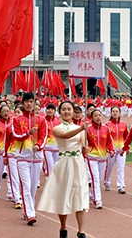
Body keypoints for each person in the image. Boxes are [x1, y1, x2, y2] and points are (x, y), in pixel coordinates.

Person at [37, 101, 89, 238]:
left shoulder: (80, 128)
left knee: (81, 195)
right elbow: (66, 136)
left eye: (69, 109)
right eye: (64, 109)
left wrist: (85, 147)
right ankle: (63, 228)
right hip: (64, 164)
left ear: (73, 111)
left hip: (78, 163)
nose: (67, 111)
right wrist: (81, 128)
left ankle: (81, 231)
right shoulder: (56, 128)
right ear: (60, 112)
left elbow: (83, 142)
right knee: (64, 196)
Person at [11, 92, 47, 225]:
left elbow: (44, 136)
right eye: (26, 101)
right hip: (22, 157)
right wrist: (28, 133)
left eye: (31, 101)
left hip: (36, 157)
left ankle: (27, 209)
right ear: (23, 103)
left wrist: (38, 146)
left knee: (32, 188)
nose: (29, 104)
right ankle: (30, 213)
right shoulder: (16, 119)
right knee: (26, 186)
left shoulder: (41, 119)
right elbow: (16, 135)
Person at [85, 109, 115, 209]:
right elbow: (84, 143)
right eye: (95, 115)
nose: (98, 117)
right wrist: (84, 151)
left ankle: (92, 195)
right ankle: (97, 200)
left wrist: (111, 150)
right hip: (92, 157)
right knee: (95, 178)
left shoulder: (106, 129)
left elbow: (109, 142)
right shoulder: (88, 129)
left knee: (99, 179)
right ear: (92, 118)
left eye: (99, 115)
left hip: (103, 157)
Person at [104, 106, 129, 194]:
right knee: (109, 167)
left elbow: (127, 137)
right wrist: (108, 148)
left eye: (116, 111)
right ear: (111, 113)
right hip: (111, 150)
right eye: (113, 111)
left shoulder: (124, 125)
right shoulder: (107, 125)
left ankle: (121, 186)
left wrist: (127, 148)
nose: (115, 113)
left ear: (119, 113)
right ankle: (107, 182)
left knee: (121, 168)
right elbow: (105, 138)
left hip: (121, 150)